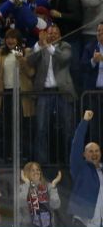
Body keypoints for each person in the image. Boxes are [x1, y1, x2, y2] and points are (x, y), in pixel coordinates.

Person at [0, 29, 35, 159]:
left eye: (13, 38)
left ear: (18, 40)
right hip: (5, 93)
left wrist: (22, 60)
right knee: (6, 126)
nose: (10, 41)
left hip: (21, 93)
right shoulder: (1, 52)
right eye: (8, 38)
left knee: (22, 126)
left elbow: (31, 73)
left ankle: (23, 154)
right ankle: (7, 155)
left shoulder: (26, 52)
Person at [27, 25, 76, 164]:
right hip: (44, 92)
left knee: (68, 128)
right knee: (41, 128)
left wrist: (48, 46)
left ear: (60, 34)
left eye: (56, 33)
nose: (53, 35)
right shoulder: (41, 46)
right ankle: (42, 163)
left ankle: (70, 161)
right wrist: (38, 43)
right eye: (50, 33)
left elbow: (64, 58)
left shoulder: (65, 46)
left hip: (62, 92)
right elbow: (29, 60)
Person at [69, 110, 103, 227]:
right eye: (90, 151)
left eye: (97, 151)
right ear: (83, 154)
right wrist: (84, 122)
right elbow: (76, 144)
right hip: (83, 224)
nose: (94, 154)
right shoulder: (80, 168)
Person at [18, 162, 62, 227]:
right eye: (33, 170)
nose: (36, 172)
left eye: (38, 170)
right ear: (27, 173)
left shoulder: (48, 186)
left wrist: (53, 185)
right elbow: (21, 203)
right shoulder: (23, 187)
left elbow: (55, 205)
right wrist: (27, 184)